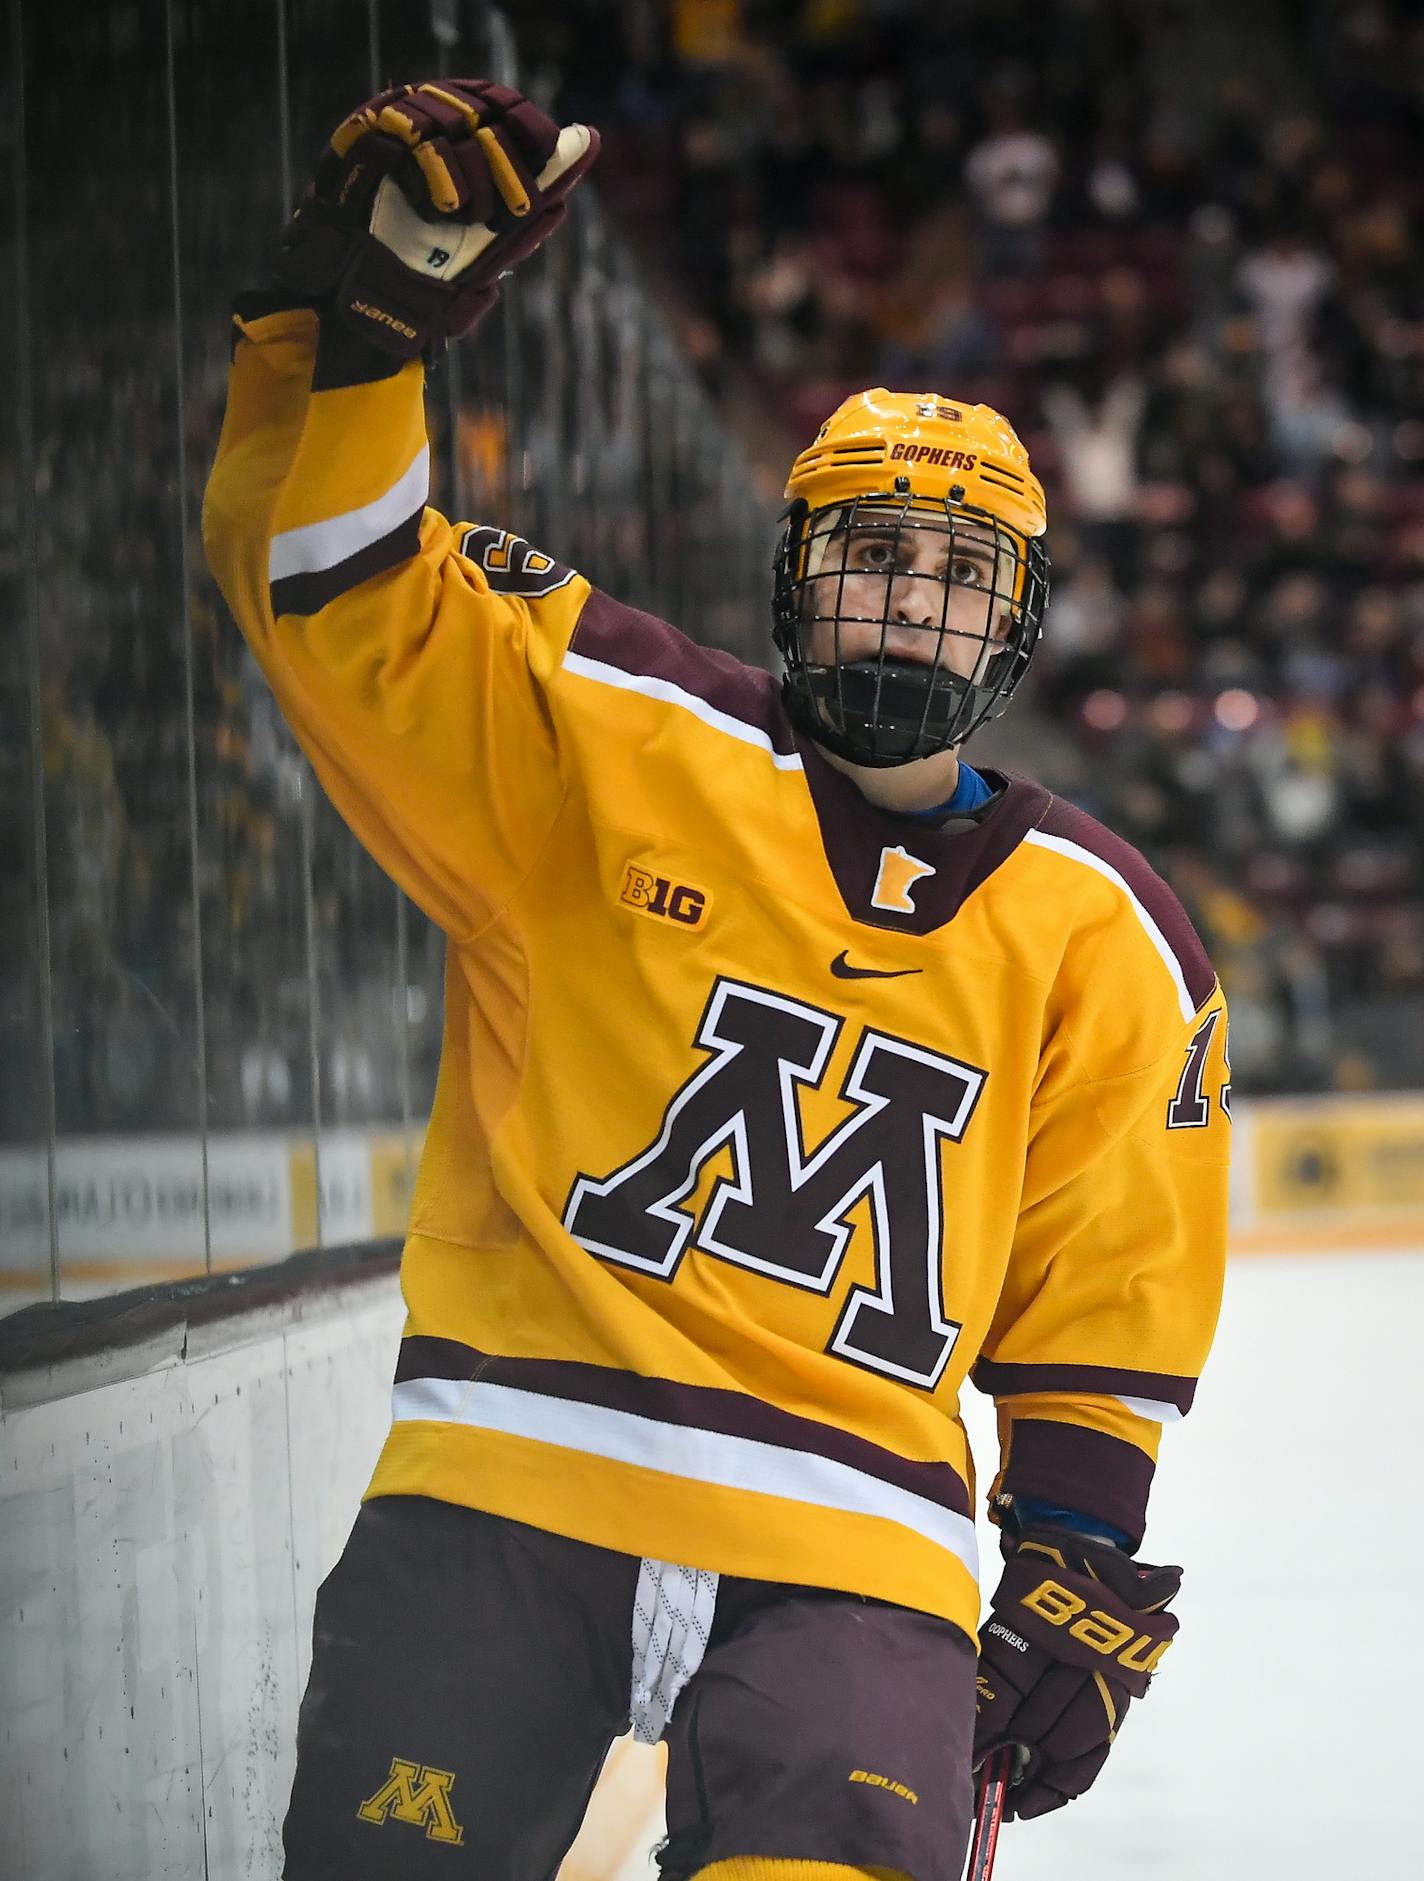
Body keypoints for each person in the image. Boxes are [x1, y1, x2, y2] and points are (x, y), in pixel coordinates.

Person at [204, 79, 1231, 1881]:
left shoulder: (1109, 926)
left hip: (856, 1548)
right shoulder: (609, 728)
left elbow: (1104, 1298)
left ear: (1018, 618)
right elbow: (336, 592)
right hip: (509, 1469)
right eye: (872, 559)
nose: (909, 605)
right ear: (795, 578)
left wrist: (1072, 1548)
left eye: (956, 574)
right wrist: (358, 335)